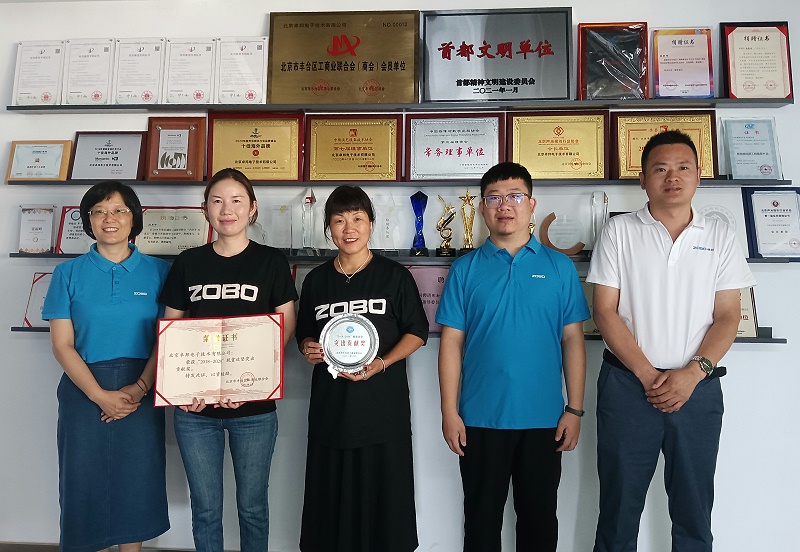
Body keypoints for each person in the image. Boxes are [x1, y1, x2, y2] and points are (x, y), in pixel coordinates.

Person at [587, 130, 756, 552]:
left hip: (698, 389)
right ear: (643, 179)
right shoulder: (619, 231)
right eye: (660, 169)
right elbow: (604, 311)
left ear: (699, 175)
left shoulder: (720, 235)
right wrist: (649, 376)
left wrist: (692, 375)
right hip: (628, 386)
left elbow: (728, 316)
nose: (672, 177)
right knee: (618, 511)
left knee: (694, 511)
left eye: (683, 168)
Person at [436, 161, 590, 552]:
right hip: (479, 418)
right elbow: (451, 342)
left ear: (531, 204)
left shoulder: (559, 267)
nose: (505, 205)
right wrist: (449, 411)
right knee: (481, 524)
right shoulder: (465, 269)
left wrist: (574, 409)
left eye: (515, 196)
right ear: (482, 208)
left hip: (545, 420)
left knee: (539, 524)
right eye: (494, 198)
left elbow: (573, 340)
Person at [159, 168, 297, 552]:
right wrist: (182, 389)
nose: (226, 210)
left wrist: (249, 382)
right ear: (205, 208)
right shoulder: (188, 263)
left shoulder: (271, 262)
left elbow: (285, 326)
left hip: (254, 409)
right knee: (205, 510)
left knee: (252, 508)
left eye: (237, 201)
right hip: (195, 410)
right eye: (217, 201)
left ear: (252, 208)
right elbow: (172, 328)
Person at [296, 185, 428, 552]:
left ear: (371, 223)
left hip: (382, 411)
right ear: (328, 228)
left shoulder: (394, 276)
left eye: (357, 218)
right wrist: (307, 348)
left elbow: (417, 332)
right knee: (331, 508)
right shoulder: (317, 280)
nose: (349, 228)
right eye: (339, 220)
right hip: (332, 411)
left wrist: (382, 362)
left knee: (385, 508)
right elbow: (304, 334)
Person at [42, 181, 170, 552]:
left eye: (118, 210)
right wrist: (100, 395)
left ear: (134, 218)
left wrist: (139, 388)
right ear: (88, 220)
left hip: (141, 389)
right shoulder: (67, 273)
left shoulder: (161, 272)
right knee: (84, 482)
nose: (108, 218)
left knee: (137, 481)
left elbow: (167, 339)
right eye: (98, 211)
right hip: (83, 390)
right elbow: (62, 345)